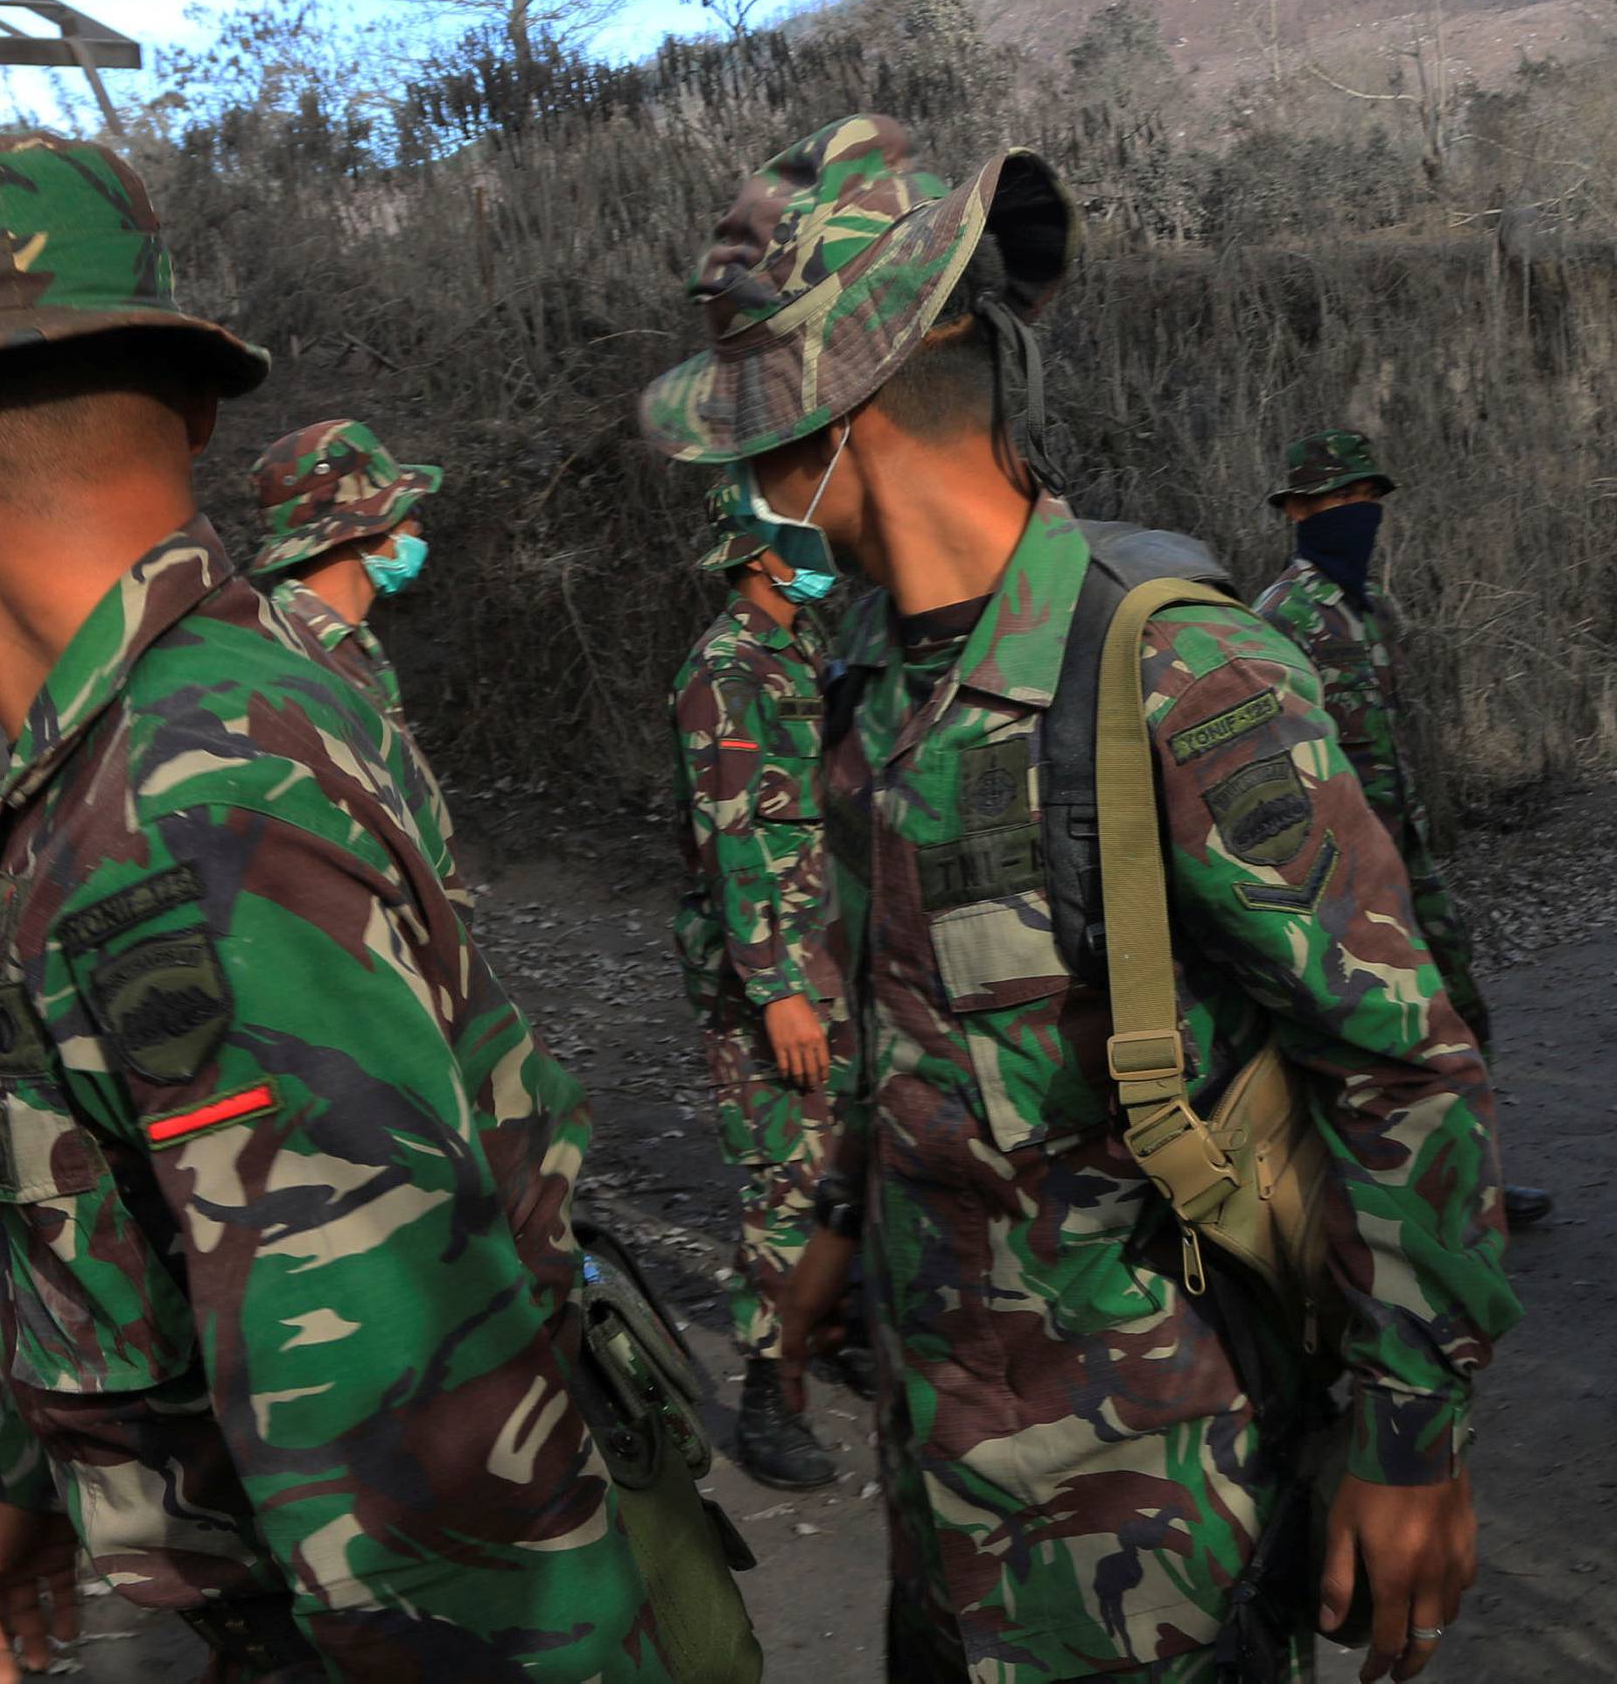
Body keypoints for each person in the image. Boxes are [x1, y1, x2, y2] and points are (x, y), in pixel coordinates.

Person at [639, 114, 1520, 1684]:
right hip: (948, 1481)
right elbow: (895, 1010)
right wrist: (842, 1216)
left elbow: (1398, 1062)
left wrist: (1409, 1434)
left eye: (759, 421)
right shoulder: (866, 675)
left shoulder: (1168, 665)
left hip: (1155, 1513)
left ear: (840, 411)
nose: (750, 468)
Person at [0, 131, 665, 1684]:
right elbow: (163, 1214)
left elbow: (413, 1434)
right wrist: (29, 1469)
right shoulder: (247, 687)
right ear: (197, 406)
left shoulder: (173, 813)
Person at [1252, 431, 1550, 1230]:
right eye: (1341, 501)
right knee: (1372, 1042)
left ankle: (1474, 1185)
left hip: (1405, 857)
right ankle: (1385, 1209)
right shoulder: (1280, 618)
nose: (1359, 516)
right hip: (1337, 877)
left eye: (1368, 501)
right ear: (1299, 511)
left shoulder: (1372, 612)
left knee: (1460, 1007)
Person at [669, 474, 865, 1488]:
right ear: (758, 553)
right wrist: (775, 986)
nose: (818, 543)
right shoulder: (726, 667)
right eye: (798, 534)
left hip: (834, 956)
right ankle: (766, 1390)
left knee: (856, 1159)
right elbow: (728, 840)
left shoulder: (803, 653)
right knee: (790, 1178)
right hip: (779, 972)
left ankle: (839, 1329)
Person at [247, 418, 472, 926]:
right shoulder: (288, 661)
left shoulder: (349, 645)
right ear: (365, 530)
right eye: (408, 514)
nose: (419, 529)